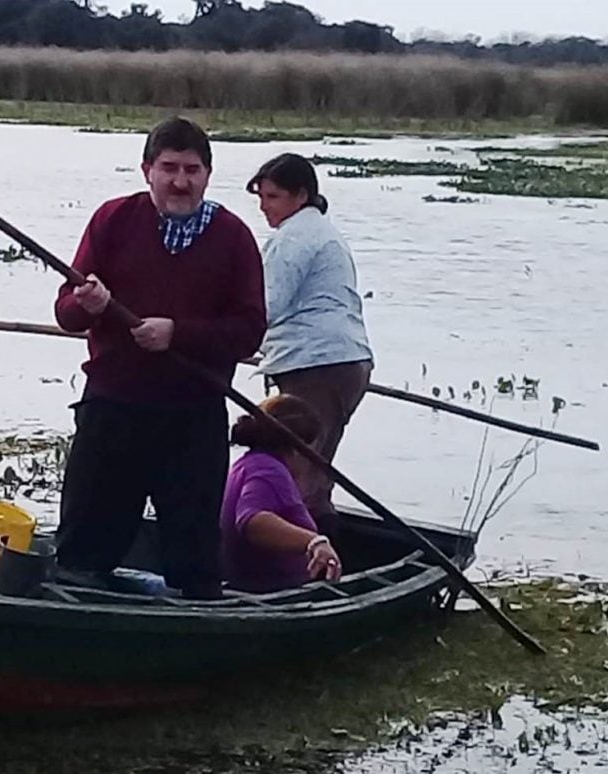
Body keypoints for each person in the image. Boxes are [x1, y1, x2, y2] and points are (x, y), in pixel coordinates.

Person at [54, 116, 266, 599]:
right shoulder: (113, 220)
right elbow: (66, 311)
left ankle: (192, 645)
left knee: (193, 558)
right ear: (146, 169)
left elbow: (249, 331)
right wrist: (83, 305)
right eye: (169, 167)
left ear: (208, 175)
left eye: (192, 169)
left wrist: (178, 334)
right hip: (113, 408)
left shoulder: (233, 237)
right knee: (84, 548)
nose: (180, 181)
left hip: (193, 418)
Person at [246, 153, 374, 535]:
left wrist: (223, 339)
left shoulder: (295, 237)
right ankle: (323, 559)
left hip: (318, 366)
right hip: (339, 363)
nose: (264, 207)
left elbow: (265, 305)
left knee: (299, 478)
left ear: (299, 196)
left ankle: (304, 569)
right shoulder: (321, 232)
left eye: (272, 197)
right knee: (312, 474)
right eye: (261, 198)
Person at [221, 394, 343, 593]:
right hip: (273, 591)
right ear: (299, 448)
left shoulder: (247, 463)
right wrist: (314, 541)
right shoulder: (269, 471)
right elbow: (253, 520)